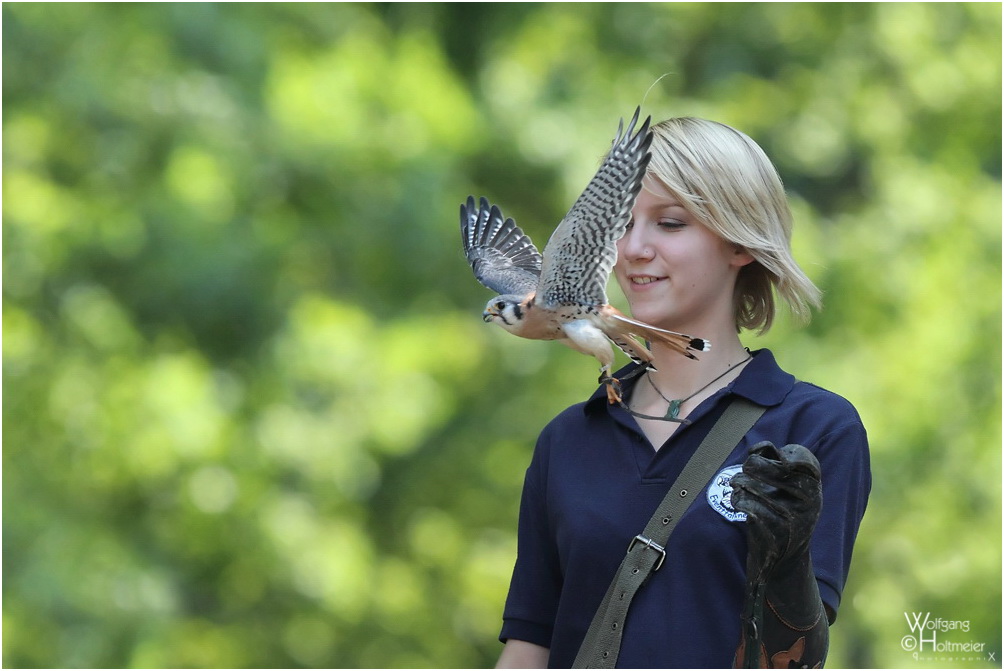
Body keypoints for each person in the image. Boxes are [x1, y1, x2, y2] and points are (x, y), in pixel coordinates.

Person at [495, 117, 871, 668]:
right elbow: (529, 647)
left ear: (740, 244)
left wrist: (786, 570)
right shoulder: (569, 440)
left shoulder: (814, 429)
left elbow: (794, 660)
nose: (633, 250)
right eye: (621, 225)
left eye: (670, 223)